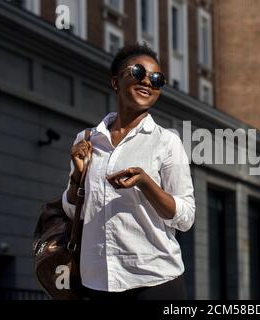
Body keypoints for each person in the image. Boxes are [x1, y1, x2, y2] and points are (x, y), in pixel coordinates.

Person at [61, 42, 195, 300]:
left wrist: (146, 183)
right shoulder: (88, 139)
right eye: (137, 73)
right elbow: (72, 210)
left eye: (157, 79)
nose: (147, 81)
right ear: (115, 83)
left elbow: (185, 217)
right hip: (97, 281)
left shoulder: (167, 142)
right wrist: (78, 177)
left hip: (154, 281)